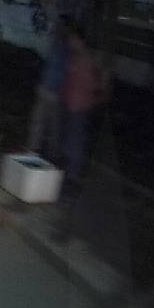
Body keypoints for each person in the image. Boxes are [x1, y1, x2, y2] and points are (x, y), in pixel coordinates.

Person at [58, 25, 105, 193]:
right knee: (70, 139)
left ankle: (72, 175)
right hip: (71, 104)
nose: (70, 42)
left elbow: (92, 85)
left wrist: (90, 100)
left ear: (80, 41)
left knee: (75, 141)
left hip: (79, 106)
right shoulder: (76, 57)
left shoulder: (85, 60)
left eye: (73, 39)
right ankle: (69, 172)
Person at [26, 14, 72, 161]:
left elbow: (65, 72)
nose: (57, 28)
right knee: (39, 122)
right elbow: (48, 66)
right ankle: (33, 151)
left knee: (53, 126)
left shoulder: (66, 48)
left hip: (55, 92)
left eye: (60, 26)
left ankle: (51, 155)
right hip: (46, 88)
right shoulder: (55, 44)